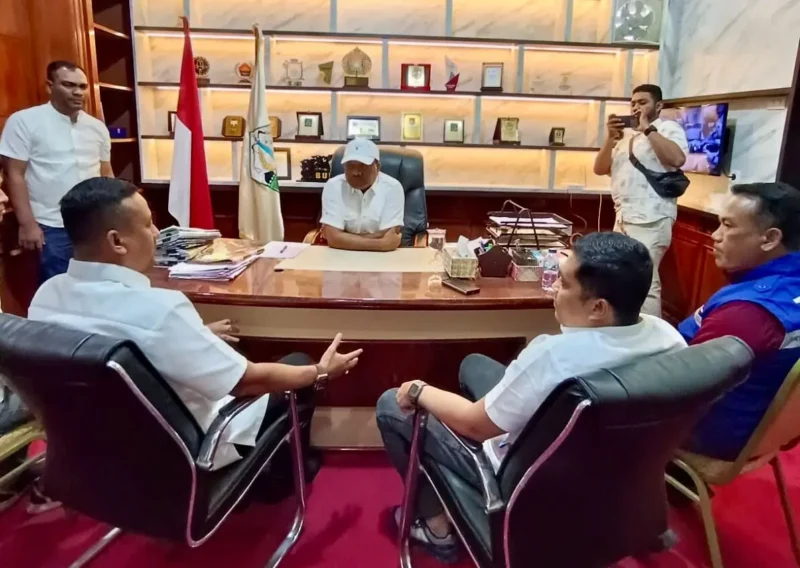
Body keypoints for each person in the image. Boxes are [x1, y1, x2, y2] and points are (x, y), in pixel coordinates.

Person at [376, 232, 687, 563]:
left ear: (598, 308)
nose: (554, 288)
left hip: (529, 482)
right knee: (473, 365)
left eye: (564, 283)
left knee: (390, 405)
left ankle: (436, 528)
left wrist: (418, 389)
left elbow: (474, 425)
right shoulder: (668, 339)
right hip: (612, 481)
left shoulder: (553, 357)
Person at [28, 177, 362, 472]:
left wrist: (196, 334)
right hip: (184, 450)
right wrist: (320, 371)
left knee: (237, 352)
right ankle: (281, 476)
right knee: (297, 365)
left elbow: (116, 336)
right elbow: (246, 382)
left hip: (97, 448)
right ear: (117, 242)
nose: (157, 234)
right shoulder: (161, 309)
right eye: (148, 224)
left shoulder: (46, 296)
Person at [679, 182, 800, 460]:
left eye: (728, 226)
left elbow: (680, 388)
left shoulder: (747, 313)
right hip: (764, 428)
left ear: (769, 239)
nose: (715, 236)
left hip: (710, 432)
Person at [0, 61, 113, 283]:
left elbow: (106, 174)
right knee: (59, 288)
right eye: (69, 85)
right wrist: (27, 224)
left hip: (93, 224)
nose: (78, 92)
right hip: (50, 225)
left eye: (82, 86)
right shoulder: (24, 122)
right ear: (49, 86)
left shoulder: (96, 127)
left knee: (96, 287)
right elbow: (14, 175)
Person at [593, 84, 689, 318]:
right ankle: (626, 326)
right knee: (622, 278)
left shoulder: (668, 128)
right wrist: (610, 138)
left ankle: (650, 335)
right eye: (633, 103)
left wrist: (648, 128)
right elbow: (600, 168)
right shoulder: (626, 137)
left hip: (652, 218)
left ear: (658, 106)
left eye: (643, 102)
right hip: (623, 217)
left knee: (645, 283)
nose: (636, 107)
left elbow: (677, 159)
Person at [320, 138, 404, 252]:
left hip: (381, 258)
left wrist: (344, 238)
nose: (356, 172)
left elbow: (390, 235)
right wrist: (381, 244)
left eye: (363, 166)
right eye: (350, 166)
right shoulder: (333, 186)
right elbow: (334, 239)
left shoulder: (393, 188)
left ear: (377, 166)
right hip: (341, 256)